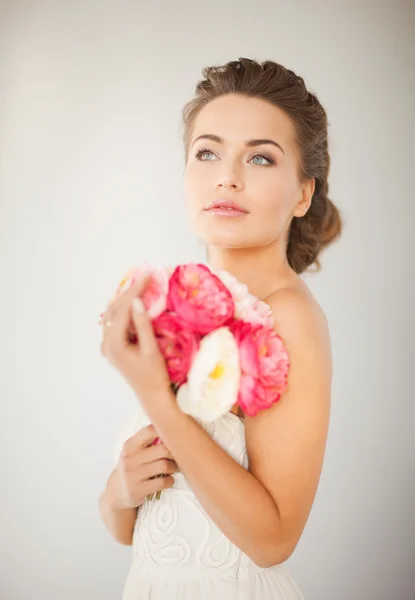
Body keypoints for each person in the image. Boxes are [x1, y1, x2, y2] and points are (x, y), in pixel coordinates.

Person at [98, 57, 342, 599]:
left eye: (260, 157)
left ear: (303, 194)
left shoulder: (290, 316)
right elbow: (137, 529)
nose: (227, 175)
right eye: (207, 152)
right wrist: (118, 490)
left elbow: (272, 540)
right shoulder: (175, 304)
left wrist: (155, 396)